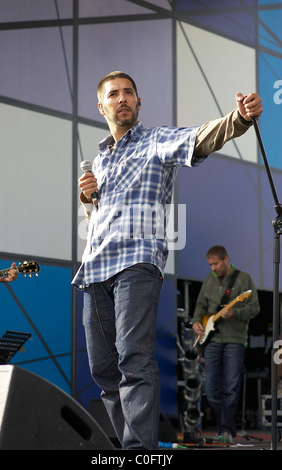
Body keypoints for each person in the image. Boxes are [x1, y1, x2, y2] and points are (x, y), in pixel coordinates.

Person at [72, 71, 263, 450]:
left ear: (138, 103)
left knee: (132, 358)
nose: (122, 98)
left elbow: (201, 138)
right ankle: (131, 444)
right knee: (103, 369)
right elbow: (99, 222)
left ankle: (139, 452)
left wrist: (239, 119)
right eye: (114, 94)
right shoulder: (99, 160)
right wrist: (89, 202)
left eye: (129, 92)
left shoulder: (156, 140)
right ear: (102, 106)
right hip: (94, 269)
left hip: (137, 264)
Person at [192, 245, 260, 442]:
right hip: (212, 339)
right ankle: (225, 426)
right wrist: (197, 320)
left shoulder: (243, 278)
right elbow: (200, 305)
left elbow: (255, 307)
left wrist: (235, 313)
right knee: (211, 388)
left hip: (235, 340)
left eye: (215, 263)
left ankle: (226, 429)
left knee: (231, 387)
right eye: (210, 264)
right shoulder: (208, 279)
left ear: (226, 259)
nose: (212, 267)